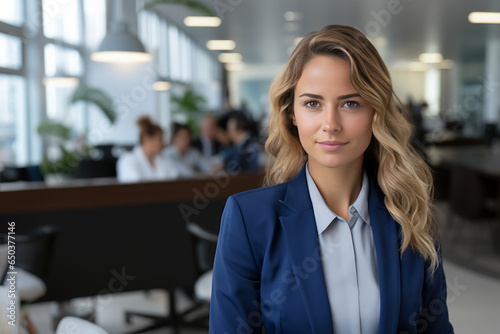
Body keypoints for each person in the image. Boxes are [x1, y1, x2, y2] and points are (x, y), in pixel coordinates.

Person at [210, 25, 453, 334]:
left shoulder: (411, 213)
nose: (331, 124)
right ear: (292, 114)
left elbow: (435, 329)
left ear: (375, 111)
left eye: (350, 103)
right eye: (313, 103)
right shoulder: (249, 219)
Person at [116, 116, 177, 182]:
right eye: (160, 140)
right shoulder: (127, 161)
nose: (162, 144)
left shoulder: (164, 159)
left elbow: (174, 181)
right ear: (146, 138)